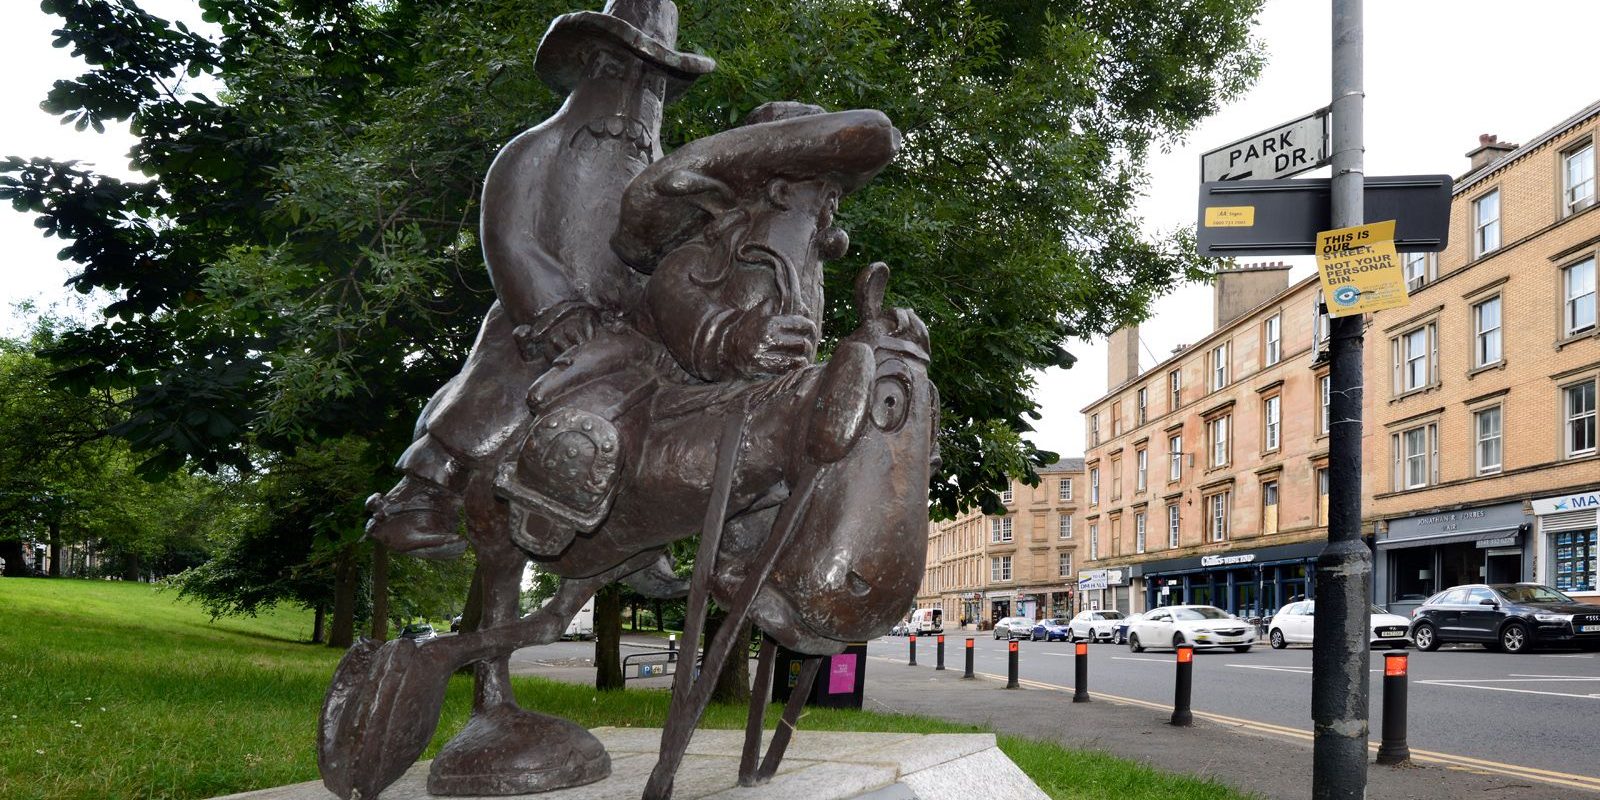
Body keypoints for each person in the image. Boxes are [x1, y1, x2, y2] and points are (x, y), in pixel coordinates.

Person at [364, 0, 713, 557]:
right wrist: (554, 309)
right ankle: (422, 491)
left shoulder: (662, 182)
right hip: (540, 316)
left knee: (676, 401)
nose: (633, 94)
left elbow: (666, 256)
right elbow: (510, 239)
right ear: (588, 69)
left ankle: (645, 537)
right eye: (618, 70)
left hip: (627, 328)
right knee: (501, 384)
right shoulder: (533, 150)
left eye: (651, 82)